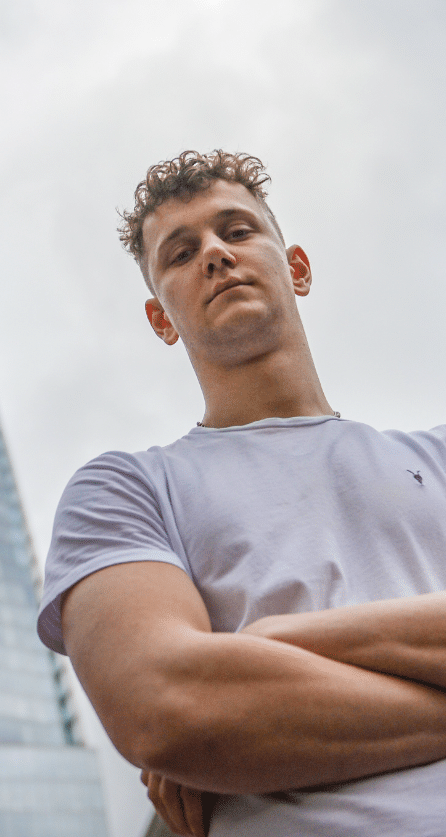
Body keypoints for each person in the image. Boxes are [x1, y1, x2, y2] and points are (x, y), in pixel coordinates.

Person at [37, 149, 446, 837]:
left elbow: (199, 707)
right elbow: (166, 706)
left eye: (238, 229)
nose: (216, 254)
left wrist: (274, 638)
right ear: (160, 319)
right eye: (181, 252)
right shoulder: (127, 490)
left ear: (299, 269)